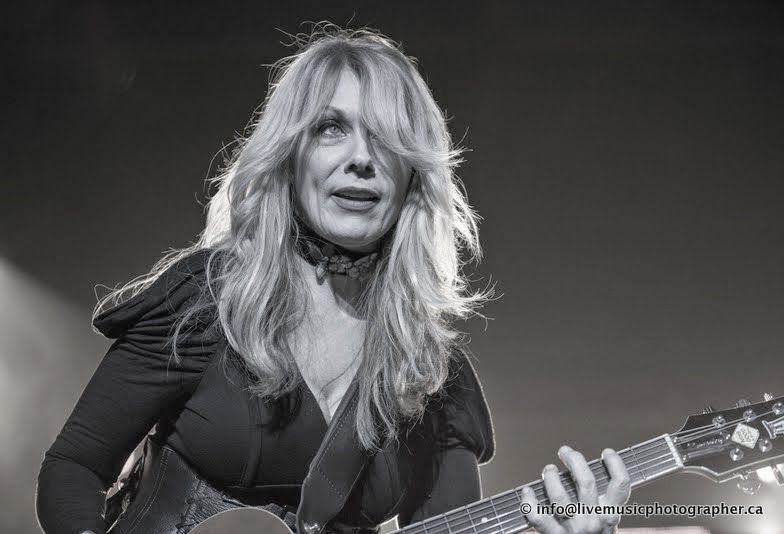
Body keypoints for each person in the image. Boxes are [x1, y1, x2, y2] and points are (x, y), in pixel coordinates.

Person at [35, 25, 630, 534]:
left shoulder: (432, 374)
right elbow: (74, 467)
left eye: (385, 137)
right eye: (330, 128)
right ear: (288, 156)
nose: (361, 158)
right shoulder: (206, 304)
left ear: (413, 175)